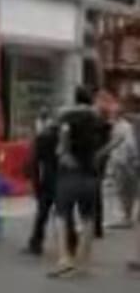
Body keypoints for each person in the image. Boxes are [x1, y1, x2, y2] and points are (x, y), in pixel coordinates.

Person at [50, 87, 110, 279]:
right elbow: (115, 139)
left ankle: (64, 258)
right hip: (91, 175)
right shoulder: (99, 121)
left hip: (70, 174)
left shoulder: (66, 118)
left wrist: (65, 152)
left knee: (61, 215)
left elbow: (62, 145)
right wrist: (98, 156)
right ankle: (82, 262)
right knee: (88, 218)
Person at [24, 115, 61, 256]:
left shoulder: (42, 137)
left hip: (47, 179)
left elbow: (33, 162)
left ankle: (36, 243)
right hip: (62, 178)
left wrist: (35, 184)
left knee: (42, 213)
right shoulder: (65, 138)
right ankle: (70, 242)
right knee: (64, 214)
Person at [101, 101, 138, 230]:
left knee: (125, 190)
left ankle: (126, 218)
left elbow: (130, 145)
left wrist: (131, 160)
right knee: (122, 189)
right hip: (119, 161)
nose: (110, 114)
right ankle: (126, 216)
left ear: (118, 114)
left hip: (123, 162)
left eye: (112, 112)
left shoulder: (124, 127)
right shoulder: (117, 126)